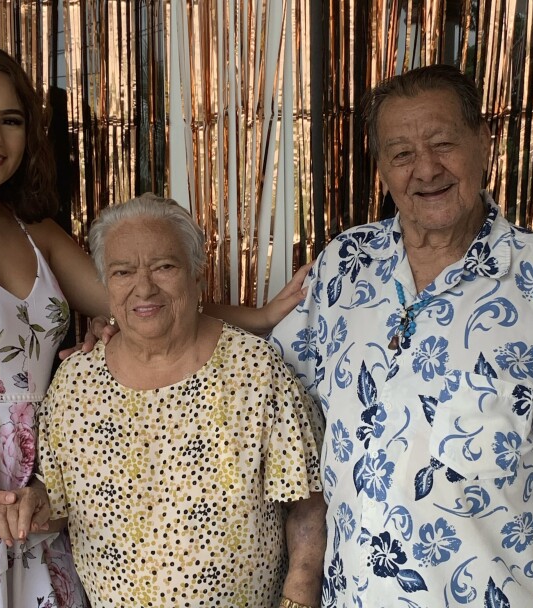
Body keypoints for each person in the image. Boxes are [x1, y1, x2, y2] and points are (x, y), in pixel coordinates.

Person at [0, 47, 307, 608]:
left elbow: (141, 302)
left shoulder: (37, 234)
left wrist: (261, 318)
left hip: (35, 494)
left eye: (11, 120)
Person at [268, 64, 533, 608]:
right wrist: (130, 333)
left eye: (443, 143)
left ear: (483, 143)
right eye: (402, 154)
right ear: (383, 169)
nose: (427, 169)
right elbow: (268, 380)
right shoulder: (345, 264)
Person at [34, 194, 327, 608]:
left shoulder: (254, 370)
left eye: (164, 267)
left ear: (197, 276)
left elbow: (307, 502)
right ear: (105, 285)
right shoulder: (75, 383)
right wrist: (27, 505)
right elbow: (59, 502)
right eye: (122, 272)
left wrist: (297, 598)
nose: (144, 287)